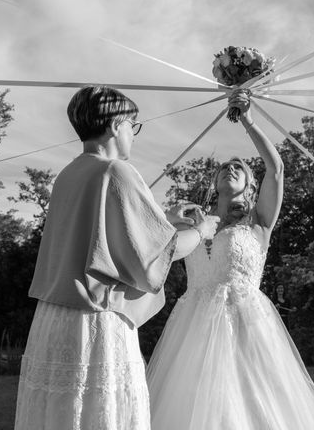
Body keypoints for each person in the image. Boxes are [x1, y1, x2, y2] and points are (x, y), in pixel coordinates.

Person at [14, 86, 219, 430]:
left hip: (53, 319)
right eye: (133, 126)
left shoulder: (67, 175)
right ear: (115, 124)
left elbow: (100, 236)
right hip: (94, 323)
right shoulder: (117, 170)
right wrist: (202, 232)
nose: (133, 135)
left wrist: (163, 217)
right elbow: (154, 257)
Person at [147, 89, 314, 430]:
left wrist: (247, 118)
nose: (230, 169)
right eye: (224, 168)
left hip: (246, 322)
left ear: (250, 186)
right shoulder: (194, 221)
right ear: (214, 184)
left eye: (238, 168)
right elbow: (147, 233)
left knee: (252, 400)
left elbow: (276, 168)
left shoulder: (259, 224)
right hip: (192, 324)